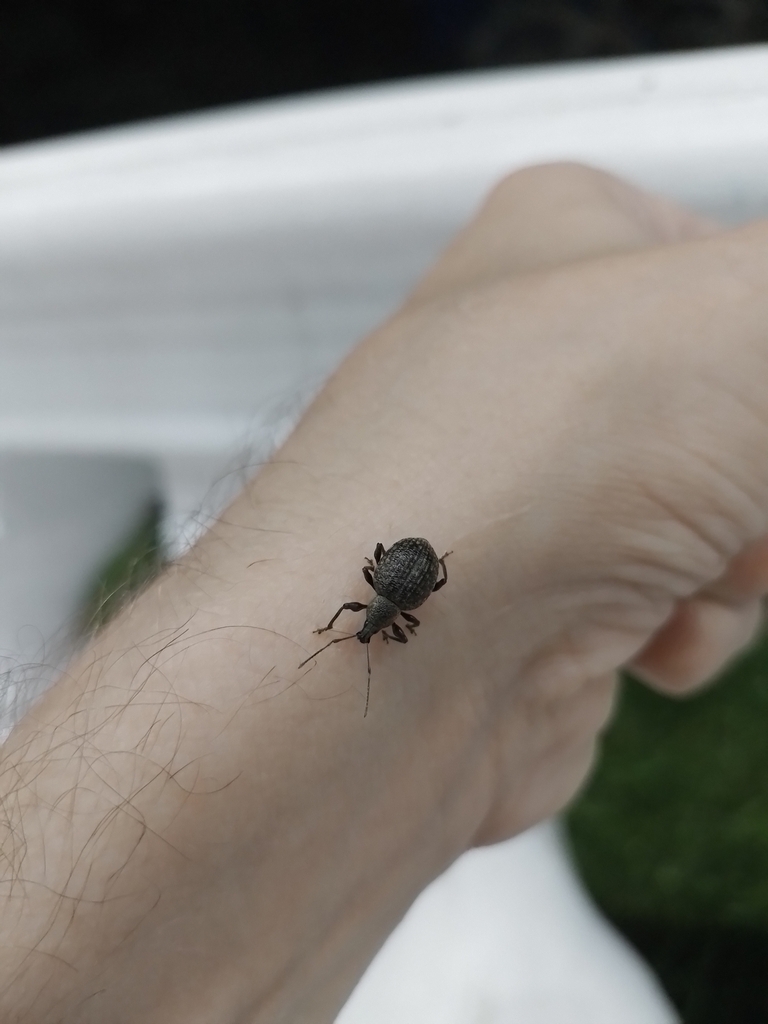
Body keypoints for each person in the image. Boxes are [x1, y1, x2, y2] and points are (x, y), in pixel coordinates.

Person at [1, 162, 767, 1023]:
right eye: (368, 620)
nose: (367, 623)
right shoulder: (385, 608)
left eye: (367, 620)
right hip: (417, 570)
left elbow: (413, 581)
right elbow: (409, 586)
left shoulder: (391, 601)